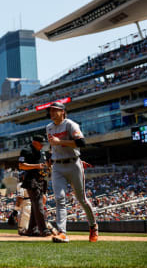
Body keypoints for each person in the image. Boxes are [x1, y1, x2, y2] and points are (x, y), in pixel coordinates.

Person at [46, 102, 98, 243]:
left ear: (63, 111)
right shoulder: (49, 127)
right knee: (59, 199)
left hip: (74, 163)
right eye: (50, 111)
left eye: (55, 110)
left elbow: (81, 143)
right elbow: (53, 147)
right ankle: (62, 232)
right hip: (58, 166)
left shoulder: (70, 124)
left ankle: (93, 226)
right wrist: (50, 158)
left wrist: (60, 141)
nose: (52, 113)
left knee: (81, 199)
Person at [18, 135, 51, 237]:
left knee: (35, 206)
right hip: (31, 180)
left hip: (41, 180)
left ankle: (32, 230)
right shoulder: (26, 150)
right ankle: (44, 229)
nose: (42, 146)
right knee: (38, 204)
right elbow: (21, 165)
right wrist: (37, 166)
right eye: (41, 144)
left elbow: (46, 165)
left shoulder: (42, 152)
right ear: (34, 142)